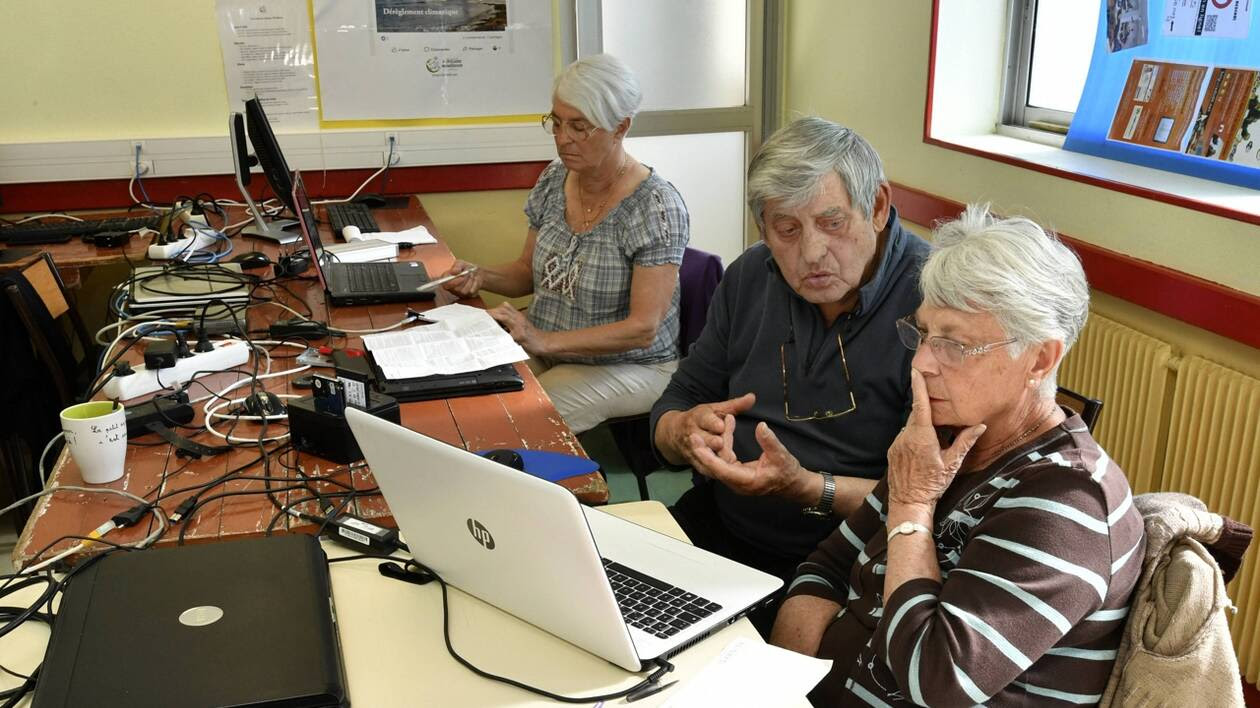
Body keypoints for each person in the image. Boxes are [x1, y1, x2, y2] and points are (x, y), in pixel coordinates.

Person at [766, 205, 1145, 705]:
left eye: (954, 345)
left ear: (1039, 358)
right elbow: (827, 566)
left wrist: (911, 510)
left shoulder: (1068, 503)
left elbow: (938, 681)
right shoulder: (947, 441)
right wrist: (791, 679)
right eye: (922, 335)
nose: (921, 364)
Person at [650, 117, 930, 585]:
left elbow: (929, 494)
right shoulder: (750, 276)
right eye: (787, 229)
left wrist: (806, 487)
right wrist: (681, 433)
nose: (813, 252)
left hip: (849, 560)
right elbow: (675, 403)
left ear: (878, 206)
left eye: (831, 223)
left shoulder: (936, 303)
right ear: (762, 227)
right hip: (721, 525)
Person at [440, 54, 688, 434]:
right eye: (556, 123)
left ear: (620, 127)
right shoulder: (556, 179)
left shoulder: (654, 206)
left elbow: (643, 328)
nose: (562, 138)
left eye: (579, 127)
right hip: (551, 347)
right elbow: (527, 273)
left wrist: (543, 341)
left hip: (633, 366)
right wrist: (480, 274)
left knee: (522, 417)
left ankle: (569, 491)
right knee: (471, 390)